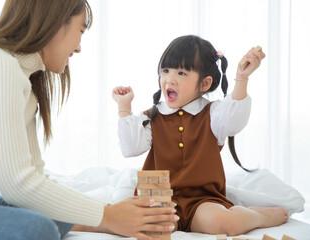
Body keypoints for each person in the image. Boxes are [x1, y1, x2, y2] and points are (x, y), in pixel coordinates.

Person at [0, 0, 178, 239]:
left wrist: (110, 214)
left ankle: (98, 222)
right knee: (37, 229)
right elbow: (17, 185)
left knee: (53, 211)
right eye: (80, 30)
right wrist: (109, 215)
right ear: (54, 22)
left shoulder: (22, 85)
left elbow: (34, 178)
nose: (79, 47)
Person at [112, 35, 289, 236]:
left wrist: (242, 78)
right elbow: (130, 148)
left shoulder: (213, 114)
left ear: (205, 84)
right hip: (159, 195)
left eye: (181, 72)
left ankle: (258, 216)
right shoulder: (153, 116)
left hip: (202, 200)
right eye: (165, 71)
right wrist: (124, 107)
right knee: (146, 226)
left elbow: (235, 118)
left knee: (223, 224)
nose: (169, 78)